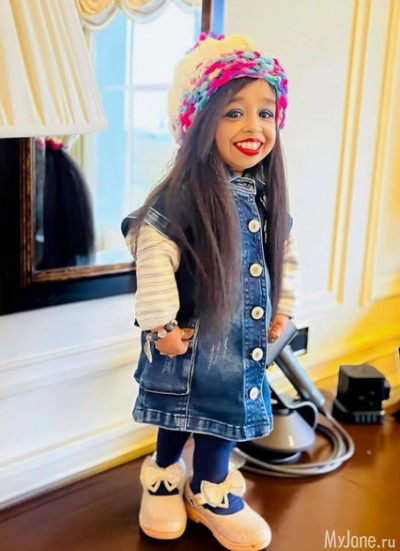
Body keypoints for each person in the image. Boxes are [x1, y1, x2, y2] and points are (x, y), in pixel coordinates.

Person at [121, 33, 300, 551]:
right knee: (175, 413)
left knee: (223, 416)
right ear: (200, 123)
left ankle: (209, 489)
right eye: (233, 112)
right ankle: (163, 475)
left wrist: (283, 309)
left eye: (265, 113)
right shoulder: (180, 200)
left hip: (238, 346)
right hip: (185, 342)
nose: (253, 127)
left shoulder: (266, 198)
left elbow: (285, 255)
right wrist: (160, 324)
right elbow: (154, 257)